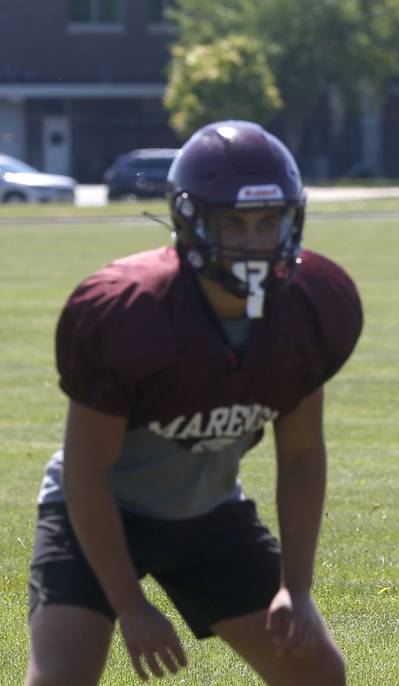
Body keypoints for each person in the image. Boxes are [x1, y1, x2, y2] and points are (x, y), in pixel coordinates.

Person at [25, 121, 362, 685]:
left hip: (207, 513)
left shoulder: (305, 309)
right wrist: (130, 607)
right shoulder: (132, 312)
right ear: (189, 221)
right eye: (233, 222)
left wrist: (295, 589)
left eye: (267, 221)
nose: (253, 240)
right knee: (59, 679)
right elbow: (86, 471)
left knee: (317, 673)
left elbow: (302, 454)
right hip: (101, 511)